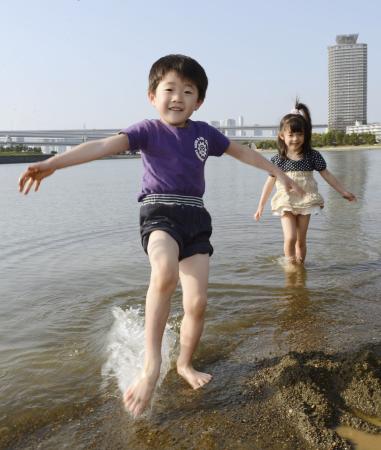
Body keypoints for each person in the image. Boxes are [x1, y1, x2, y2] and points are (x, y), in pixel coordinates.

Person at [18, 54, 303, 418]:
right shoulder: (147, 131)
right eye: (169, 89)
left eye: (188, 91)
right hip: (159, 213)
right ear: (153, 95)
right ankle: (151, 366)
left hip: (196, 218)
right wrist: (52, 163)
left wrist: (279, 174)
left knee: (197, 303)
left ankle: (184, 364)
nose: (178, 97)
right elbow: (102, 146)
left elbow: (243, 152)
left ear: (199, 101)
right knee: (165, 273)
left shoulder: (204, 134)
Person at [254, 100, 356, 265]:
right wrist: (261, 206)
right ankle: (290, 265)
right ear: (282, 136)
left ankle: (300, 267)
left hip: (305, 200)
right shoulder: (278, 159)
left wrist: (343, 191)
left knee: (301, 240)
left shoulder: (312, 156)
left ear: (305, 135)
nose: (295, 139)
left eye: (299, 134)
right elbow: (269, 183)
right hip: (285, 201)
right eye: (291, 135)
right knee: (290, 237)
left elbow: (327, 175)